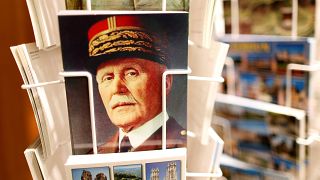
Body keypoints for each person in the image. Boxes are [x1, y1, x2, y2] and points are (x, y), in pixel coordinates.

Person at [87, 15, 187, 153]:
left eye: (131, 73)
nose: (117, 88)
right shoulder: (93, 156)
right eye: (107, 78)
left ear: (166, 82)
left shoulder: (187, 150)